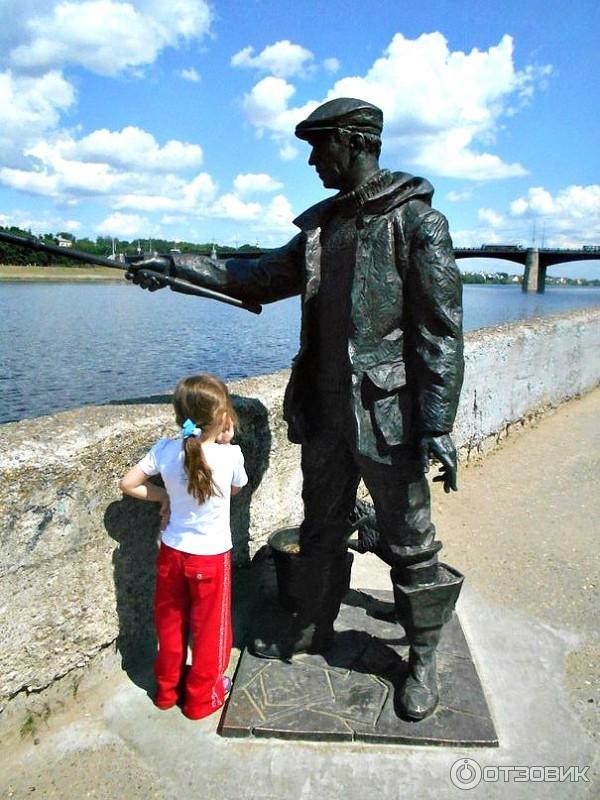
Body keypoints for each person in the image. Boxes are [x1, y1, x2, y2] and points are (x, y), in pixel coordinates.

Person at [127, 97, 464, 721]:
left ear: (356, 143)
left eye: (320, 145)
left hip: (388, 418)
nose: (312, 159)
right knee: (320, 529)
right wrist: (174, 266)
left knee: (411, 540)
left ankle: (423, 656)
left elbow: (439, 333)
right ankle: (316, 623)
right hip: (326, 412)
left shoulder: (419, 224)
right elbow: (253, 275)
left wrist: (438, 423)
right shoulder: (321, 230)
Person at [118, 374, 248, 720]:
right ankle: (201, 699)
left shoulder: (164, 449)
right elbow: (234, 491)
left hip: (172, 554)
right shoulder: (230, 456)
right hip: (211, 558)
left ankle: (166, 691)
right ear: (222, 418)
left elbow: (128, 483)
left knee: (170, 625)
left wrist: (165, 497)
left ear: (181, 416)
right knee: (210, 631)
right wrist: (223, 443)